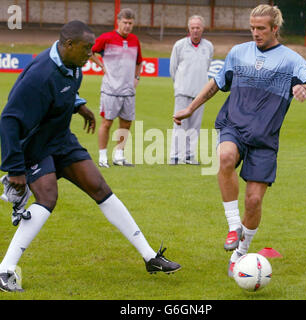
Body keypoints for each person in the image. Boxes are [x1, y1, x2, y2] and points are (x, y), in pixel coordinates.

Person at [0, 20, 181, 292]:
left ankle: (150, 258)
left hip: (61, 140)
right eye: (86, 48)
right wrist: (15, 168)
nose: (90, 54)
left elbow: (63, 92)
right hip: (35, 145)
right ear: (68, 45)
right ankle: (5, 271)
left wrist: (78, 105)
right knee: (48, 198)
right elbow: (9, 120)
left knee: (100, 187)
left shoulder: (74, 67)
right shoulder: (40, 74)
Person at [173, 5, 306, 276]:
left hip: (265, 138)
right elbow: (216, 83)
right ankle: (233, 225)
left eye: (261, 28)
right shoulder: (238, 53)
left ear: (274, 29)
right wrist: (190, 108)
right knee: (225, 157)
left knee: (253, 202)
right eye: (252, 28)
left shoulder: (290, 59)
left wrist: (304, 87)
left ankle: (240, 254)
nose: (255, 33)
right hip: (234, 124)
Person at [90, 8, 142, 167]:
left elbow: (139, 61)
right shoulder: (106, 38)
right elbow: (90, 51)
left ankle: (119, 156)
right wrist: (101, 65)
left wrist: (136, 77)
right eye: (125, 23)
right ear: (118, 22)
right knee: (107, 122)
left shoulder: (135, 40)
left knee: (126, 123)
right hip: (110, 90)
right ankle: (103, 156)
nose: (127, 26)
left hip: (128, 90)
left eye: (130, 23)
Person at [169, 15, 214, 165]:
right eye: (193, 28)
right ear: (188, 29)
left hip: (200, 93)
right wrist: (179, 85)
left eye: (198, 28)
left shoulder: (208, 46)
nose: (195, 30)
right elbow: (173, 68)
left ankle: (189, 155)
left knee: (195, 126)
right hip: (182, 91)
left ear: (203, 29)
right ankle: (175, 155)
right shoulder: (179, 45)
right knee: (179, 124)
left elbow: (207, 67)